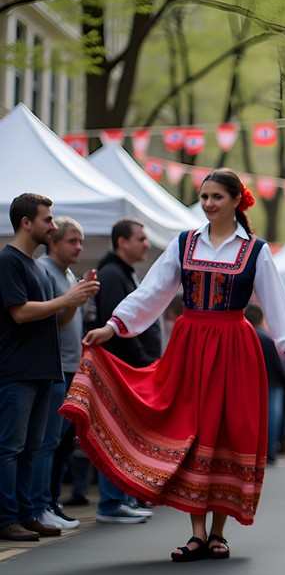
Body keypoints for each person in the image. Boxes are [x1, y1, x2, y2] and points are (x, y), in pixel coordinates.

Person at [61, 168, 285, 562]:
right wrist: (113, 326)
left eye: (216, 197)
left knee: (228, 430)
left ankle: (218, 533)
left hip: (234, 347)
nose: (208, 204)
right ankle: (196, 533)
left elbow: (277, 305)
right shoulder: (185, 243)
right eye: (205, 196)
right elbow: (152, 291)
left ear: (236, 201)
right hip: (190, 344)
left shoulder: (255, 250)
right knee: (189, 427)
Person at [1, 194, 98, 542]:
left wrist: (74, 298)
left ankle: (27, 514)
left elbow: (54, 319)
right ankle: (7, 517)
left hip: (44, 371)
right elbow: (20, 312)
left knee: (31, 447)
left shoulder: (30, 264)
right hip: (18, 371)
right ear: (27, 222)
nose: (53, 226)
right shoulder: (9, 261)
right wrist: (68, 298)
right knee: (11, 448)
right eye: (48, 219)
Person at [90, 218, 163, 525]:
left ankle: (125, 496)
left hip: (132, 368)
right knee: (118, 433)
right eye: (141, 238)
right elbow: (117, 327)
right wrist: (143, 362)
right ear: (122, 242)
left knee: (129, 434)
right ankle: (113, 501)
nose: (146, 244)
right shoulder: (112, 274)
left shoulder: (123, 274)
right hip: (122, 369)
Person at [34, 216, 88, 531]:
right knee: (46, 442)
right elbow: (49, 319)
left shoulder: (67, 273)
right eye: (73, 241)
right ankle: (40, 505)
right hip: (55, 368)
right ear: (54, 242)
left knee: (61, 441)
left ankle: (50, 501)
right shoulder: (44, 270)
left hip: (69, 367)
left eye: (81, 241)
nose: (79, 247)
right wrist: (72, 299)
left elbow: (66, 319)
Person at [244, 305, 285, 466]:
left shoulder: (241, 335)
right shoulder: (265, 338)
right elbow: (277, 364)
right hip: (272, 383)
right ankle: (268, 453)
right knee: (271, 419)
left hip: (247, 383)